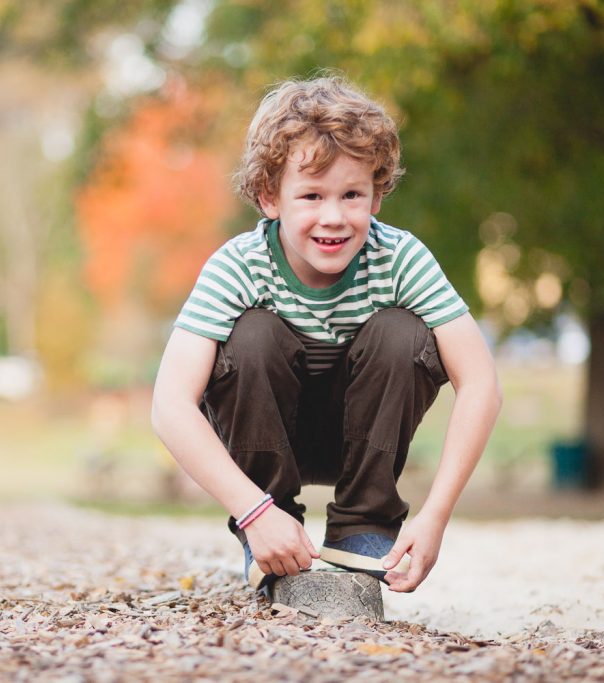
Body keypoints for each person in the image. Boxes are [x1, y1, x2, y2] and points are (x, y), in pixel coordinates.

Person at [151, 76, 501, 595]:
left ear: (376, 195)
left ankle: (362, 526)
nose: (334, 217)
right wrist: (252, 511)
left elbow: (481, 384)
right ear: (270, 197)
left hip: (364, 438)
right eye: (311, 195)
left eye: (352, 194)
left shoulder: (400, 258)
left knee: (401, 330)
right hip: (267, 442)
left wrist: (435, 516)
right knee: (252, 335)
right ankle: (272, 530)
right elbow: (169, 404)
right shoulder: (238, 266)